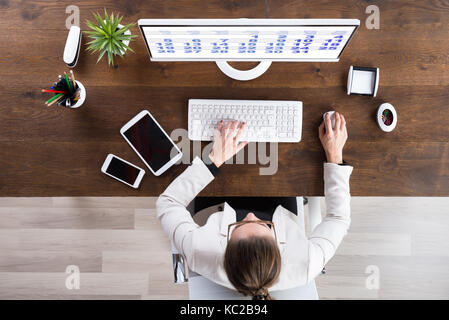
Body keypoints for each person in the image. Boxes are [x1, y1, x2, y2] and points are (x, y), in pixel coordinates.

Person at [157, 112, 352, 300]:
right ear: (279, 247)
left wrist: (214, 159)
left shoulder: (200, 251)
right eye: (263, 226)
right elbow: (338, 218)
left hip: (217, 205)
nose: (250, 215)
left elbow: (168, 203)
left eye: (239, 226)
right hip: (278, 208)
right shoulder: (308, 261)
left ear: (224, 250)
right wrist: (334, 154)